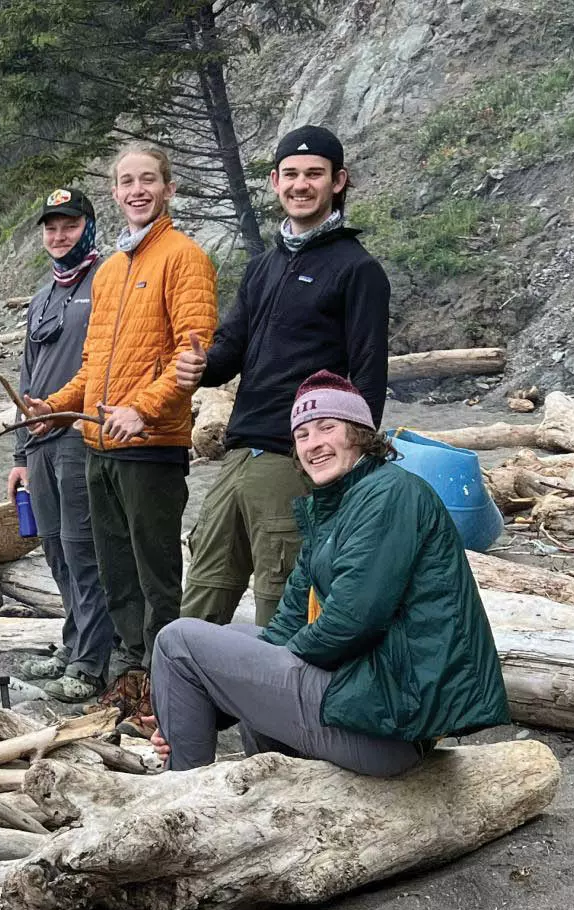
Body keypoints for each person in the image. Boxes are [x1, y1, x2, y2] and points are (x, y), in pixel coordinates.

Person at [145, 370, 510, 775]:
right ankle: (270, 787)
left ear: (358, 432)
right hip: (370, 701)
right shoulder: (333, 508)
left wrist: (248, 679)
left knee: (177, 640)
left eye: (326, 428)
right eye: (301, 435)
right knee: (236, 637)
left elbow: (352, 620)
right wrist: (201, 706)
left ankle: (185, 798)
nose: (312, 444)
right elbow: (286, 624)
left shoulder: (390, 494)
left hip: (391, 722)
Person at [175, 125, 391, 627]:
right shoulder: (263, 267)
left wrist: (349, 470)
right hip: (239, 454)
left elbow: (368, 379)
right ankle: (185, 700)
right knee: (203, 593)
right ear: (274, 182)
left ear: (339, 181)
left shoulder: (357, 270)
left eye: (314, 174)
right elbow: (231, 348)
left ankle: (278, 705)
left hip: (296, 461)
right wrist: (202, 366)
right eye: (290, 174)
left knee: (282, 605)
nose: (301, 184)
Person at [24, 143, 217, 691]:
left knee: (156, 574)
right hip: (98, 443)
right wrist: (56, 409)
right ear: (115, 193)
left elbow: (190, 360)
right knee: (115, 571)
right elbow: (92, 370)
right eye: (127, 181)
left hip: (151, 445)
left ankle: (168, 682)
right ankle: (133, 673)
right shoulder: (109, 272)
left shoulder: (185, 258)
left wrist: (142, 409)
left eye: (148, 180)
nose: (137, 190)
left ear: (168, 188)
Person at [5, 186, 117, 703]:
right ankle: (72, 645)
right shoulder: (43, 295)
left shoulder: (108, 281)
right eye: (51, 227)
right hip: (39, 441)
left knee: (82, 549)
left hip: (78, 436)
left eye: (68, 225)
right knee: (52, 546)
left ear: (88, 227)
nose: (58, 234)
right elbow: (27, 373)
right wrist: (20, 455)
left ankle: (92, 663)